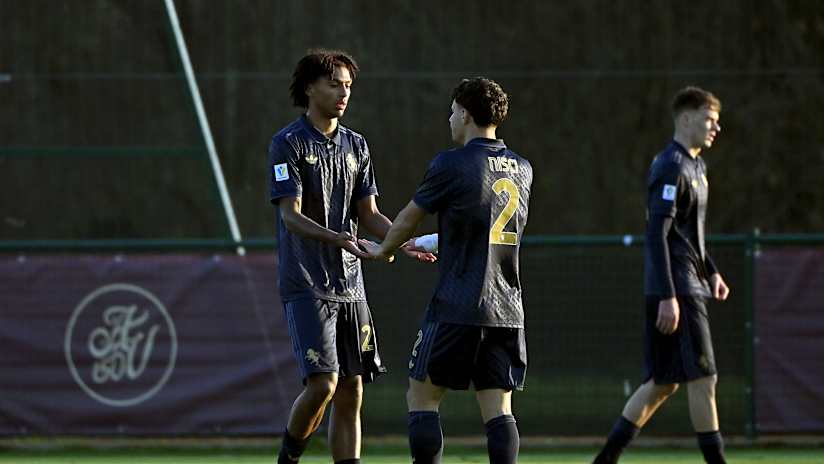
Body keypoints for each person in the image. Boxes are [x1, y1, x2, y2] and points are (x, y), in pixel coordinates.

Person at [268, 49, 434, 464]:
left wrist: (402, 241)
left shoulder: (357, 146)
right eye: (334, 84)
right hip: (306, 282)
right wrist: (339, 239)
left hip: (350, 285)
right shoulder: (287, 143)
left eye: (348, 86)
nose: (343, 93)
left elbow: (371, 215)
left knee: (351, 389)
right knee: (323, 384)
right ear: (310, 87)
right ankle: (287, 459)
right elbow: (291, 217)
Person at [360, 77, 533, 464]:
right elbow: (488, 227)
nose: (450, 118)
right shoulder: (523, 169)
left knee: (421, 396)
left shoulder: (451, 164)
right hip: (507, 309)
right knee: (498, 407)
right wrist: (438, 240)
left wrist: (382, 249)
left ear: (467, 114)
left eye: (453, 111)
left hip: (457, 303)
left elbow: (407, 218)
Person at [592, 86, 731, 464]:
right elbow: (657, 232)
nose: (715, 128)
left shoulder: (696, 165)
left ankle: (604, 461)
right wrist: (669, 295)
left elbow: (690, 233)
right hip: (678, 289)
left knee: (662, 383)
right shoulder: (670, 165)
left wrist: (712, 272)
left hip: (689, 283)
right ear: (686, 118)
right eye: (709, 120)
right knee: (705, 378)